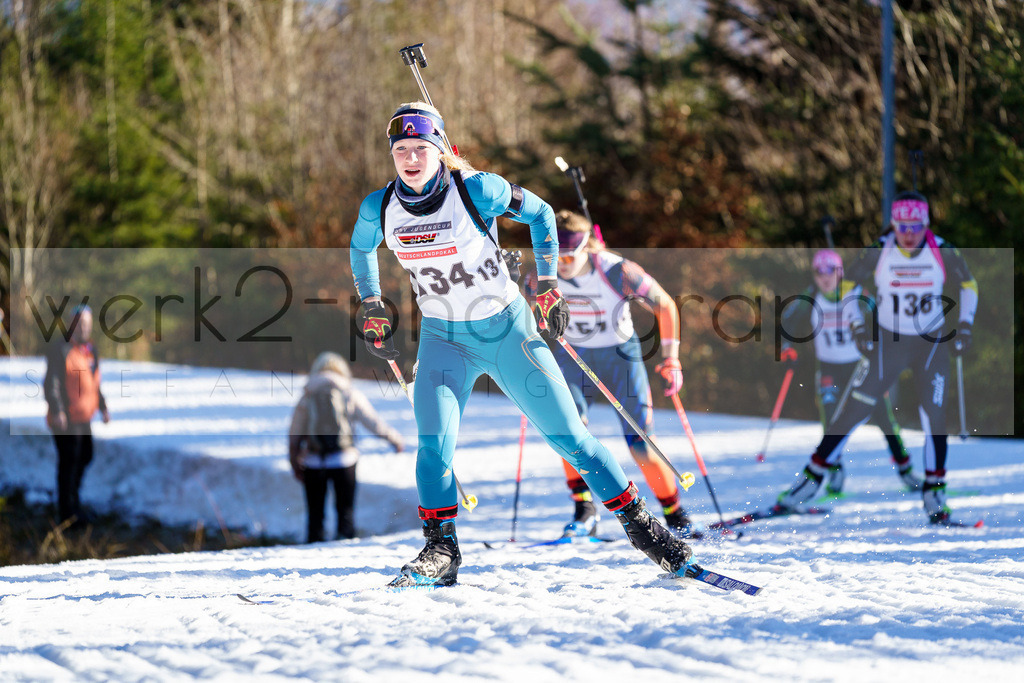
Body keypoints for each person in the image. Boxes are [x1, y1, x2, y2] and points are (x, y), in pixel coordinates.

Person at [349, 102, 694, 586]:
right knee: (433, 449)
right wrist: (371, 303)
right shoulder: (379, 206)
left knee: (571, 438)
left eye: (420, 148)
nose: (410, 159)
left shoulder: (476, 190)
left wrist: (549, 284)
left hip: (507, 332)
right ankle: (440, 548)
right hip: (443, 339)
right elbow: (360, 247)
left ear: (440, 149)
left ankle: (644, 530)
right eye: (400, 150)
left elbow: (543, 215)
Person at [775, 191, 978, 523]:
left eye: (915, 226)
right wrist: (857, 327)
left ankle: (934, 494)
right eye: (901, 226)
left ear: (925, 224)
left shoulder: (942, 250)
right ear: (893, 224)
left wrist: (966, 327)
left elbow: (969, 285)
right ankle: (809, 482)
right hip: (889, 343)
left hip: (931, 344)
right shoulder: (879, 250)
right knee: (852, 410)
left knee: (933, 417)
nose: (908, 234)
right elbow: (848, 287)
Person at [525, 210, 691, 537]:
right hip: (573, 356)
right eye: (556, 256)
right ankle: (584, 510)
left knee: (641, 443)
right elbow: (530, 319)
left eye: (570, 256)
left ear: (587, 247)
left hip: (620, 355)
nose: (562, 264)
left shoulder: (618, 271)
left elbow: (666, 305)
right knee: (568, 432)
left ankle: (676, 515)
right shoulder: (539, 276)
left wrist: (671, 359)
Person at [778, 248, 922, 495]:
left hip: (861, 368)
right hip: (829, 369)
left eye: (830, 271)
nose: (825, 277)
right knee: (831, 420)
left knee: (885, 419)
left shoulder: (856, 294)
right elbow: (787, 324)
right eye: (818, 272)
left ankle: (906, 471)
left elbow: (884, 320)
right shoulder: (810, 297)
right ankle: (834, 472)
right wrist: (787, 349)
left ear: (840, 272)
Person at [288, 352, 404, 543]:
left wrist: (294, 461)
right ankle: (345, 548)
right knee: (345, 512)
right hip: (345, 460)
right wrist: (395, 440)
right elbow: (372, 422)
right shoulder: (349, 392)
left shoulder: (308, 394)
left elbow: (295, 432)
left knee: (315, 516)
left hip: (313, 462)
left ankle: (312, 551)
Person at [43, 304, 109, 526]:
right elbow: (51, 383)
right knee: (68, 462)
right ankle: (67, 512)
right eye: (80, 324)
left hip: (84, 417)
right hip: (65, 419)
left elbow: (93, 383)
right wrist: (57, 409)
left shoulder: (90, 350)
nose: (84, 328)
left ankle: (74, 501)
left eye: (88, 324)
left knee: (86, 456)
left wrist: (103, 406)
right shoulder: (60, 349)